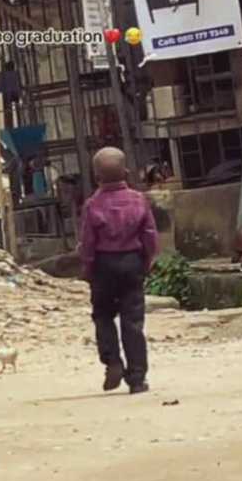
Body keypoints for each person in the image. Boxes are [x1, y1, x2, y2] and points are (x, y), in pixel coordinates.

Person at [78, 147, 159, 394]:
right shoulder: (138, 200)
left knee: (102, 316)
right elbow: (150, 236)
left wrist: (88, 267)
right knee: (132, 321)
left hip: (103, 264)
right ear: (126, 172)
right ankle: (137, 379)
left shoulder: (92, 205)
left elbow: (88, 243)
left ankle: (112, 361)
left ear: (96, 176)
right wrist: (147, 261)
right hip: (132, 262)